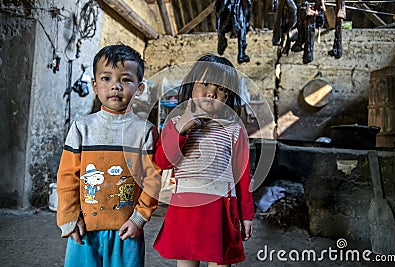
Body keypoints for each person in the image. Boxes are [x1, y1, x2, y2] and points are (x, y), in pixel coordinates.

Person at [56, 44, 161, 267]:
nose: (115, 86)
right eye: (106, 78)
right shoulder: (81, 127)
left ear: (139, 88)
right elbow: (67, 177)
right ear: (95, 86)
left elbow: (152, 179)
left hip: (127, 230)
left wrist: (139, 217)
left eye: (125, 79)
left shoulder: (145, 131)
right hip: (84, 229)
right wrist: (69, 218)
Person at [153, 54, 254, 267]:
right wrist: (182, 128)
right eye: (205, 84)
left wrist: (247, 216)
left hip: (222, 208)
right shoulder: (175, 123)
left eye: (221, 88)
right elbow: (163, 162)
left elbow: (243, 177)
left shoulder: (234, 130)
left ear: (228, 96)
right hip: (185, 207)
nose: (211, 92)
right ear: (191, 86)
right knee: (187, 261)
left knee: (221, 260)